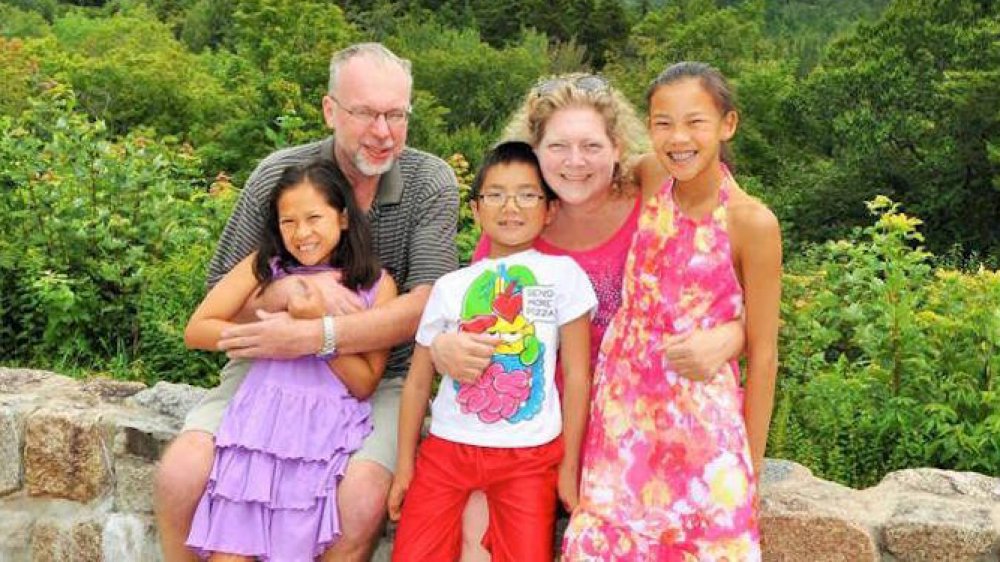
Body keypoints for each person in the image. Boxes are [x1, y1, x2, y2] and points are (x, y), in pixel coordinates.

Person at [154, 42, 459, 562]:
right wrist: (287, 293)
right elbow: (217, 303)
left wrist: (318, 335)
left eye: (396, 115)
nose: (382, 131)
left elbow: (427, 305)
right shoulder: (280, 175)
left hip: (378, 378)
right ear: (330, 109)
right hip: (265, 366)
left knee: (360, 502)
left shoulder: (430, 182)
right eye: (365, 113)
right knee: (179, 475)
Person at [430, 74, 745, 561]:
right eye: (557, 146)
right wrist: (444, 347)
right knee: (476, 526)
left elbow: (723, 264)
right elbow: (468, 319)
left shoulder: (654, 193)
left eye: (590, 146)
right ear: (533, 149)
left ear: (617, 147)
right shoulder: (513, 225)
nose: (575, 162)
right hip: (532, 425)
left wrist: (733, 334)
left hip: (630, 421)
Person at [562, 61, 782, 560]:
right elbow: (579, 187)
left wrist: (750, 465)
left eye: (695, 121)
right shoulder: (652, 175)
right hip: (622, 414)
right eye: (663, 122)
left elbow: (766, 353)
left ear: (728, 125)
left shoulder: (752, 223)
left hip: (703, 423)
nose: (678, 137)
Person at [387, 141, 598, 562]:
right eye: (496, 194)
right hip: (447, 450)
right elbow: (417, 382)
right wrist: (405, 465)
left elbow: (577, 376)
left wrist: (569, 469)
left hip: (530, 456)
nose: (511, 206)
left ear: (549, 208)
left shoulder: (564, 276)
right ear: (476, 208)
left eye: (527, 194)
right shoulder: (451, 285)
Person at [183, 160, 397, 561]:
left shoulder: (376, 285)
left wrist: (314, 331)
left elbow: (365, 381)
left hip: (319, 440)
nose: (302, 233)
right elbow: (198, 329)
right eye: (288, 222)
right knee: (230, 553)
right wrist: (266, 333)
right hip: (256, 434)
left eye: (314, 218)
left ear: (344, 218)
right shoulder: (264, 267)